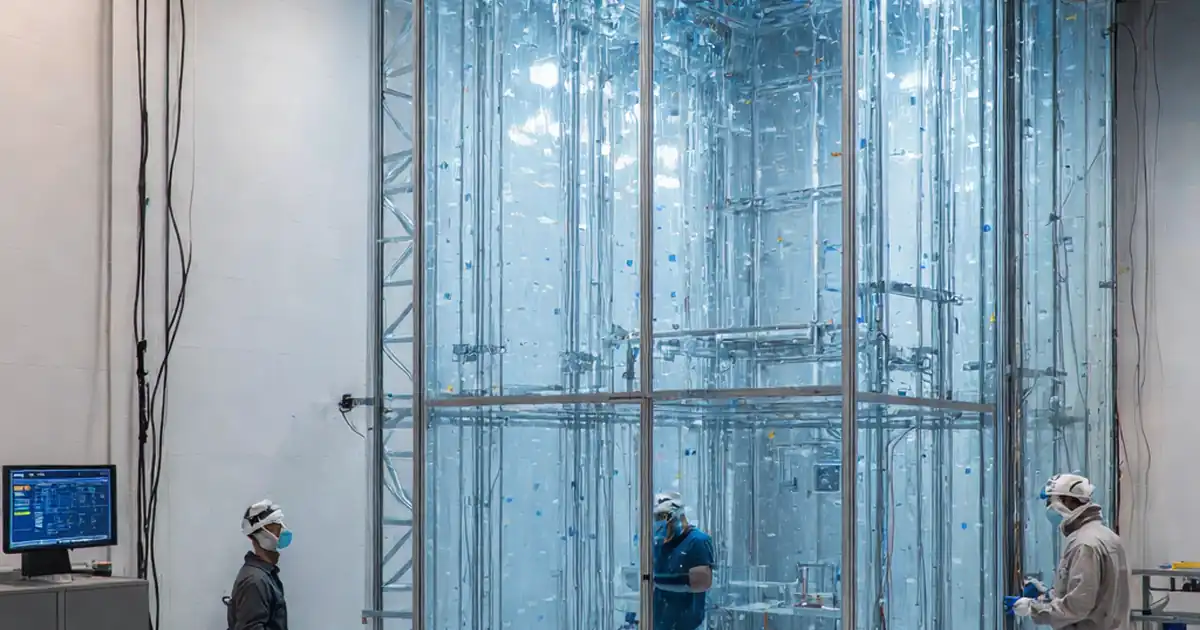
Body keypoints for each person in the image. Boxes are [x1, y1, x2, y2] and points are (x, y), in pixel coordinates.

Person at [1004, 474, 1130, 629]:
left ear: (1068, 500)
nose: (1048, 508)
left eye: (1050, 501)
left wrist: (1032, 608)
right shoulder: (1107, 536)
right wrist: (1048, 595)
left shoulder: (1084, 544)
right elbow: (1097, 592)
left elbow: (1078, 606)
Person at [651, 492, 714, 630]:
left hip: (686, 622)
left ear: (679, 516)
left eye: (663, 516)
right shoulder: (659, 543)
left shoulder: (698, 541)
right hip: (659, 621)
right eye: (656, 517)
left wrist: (657, 582)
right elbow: (648, 575)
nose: (659, 522)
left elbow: (701, 583)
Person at [226, 499, 291, 630]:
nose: (283, 532)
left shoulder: (265, 576)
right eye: (276, 529)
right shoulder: (255, 581)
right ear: (261, 535)